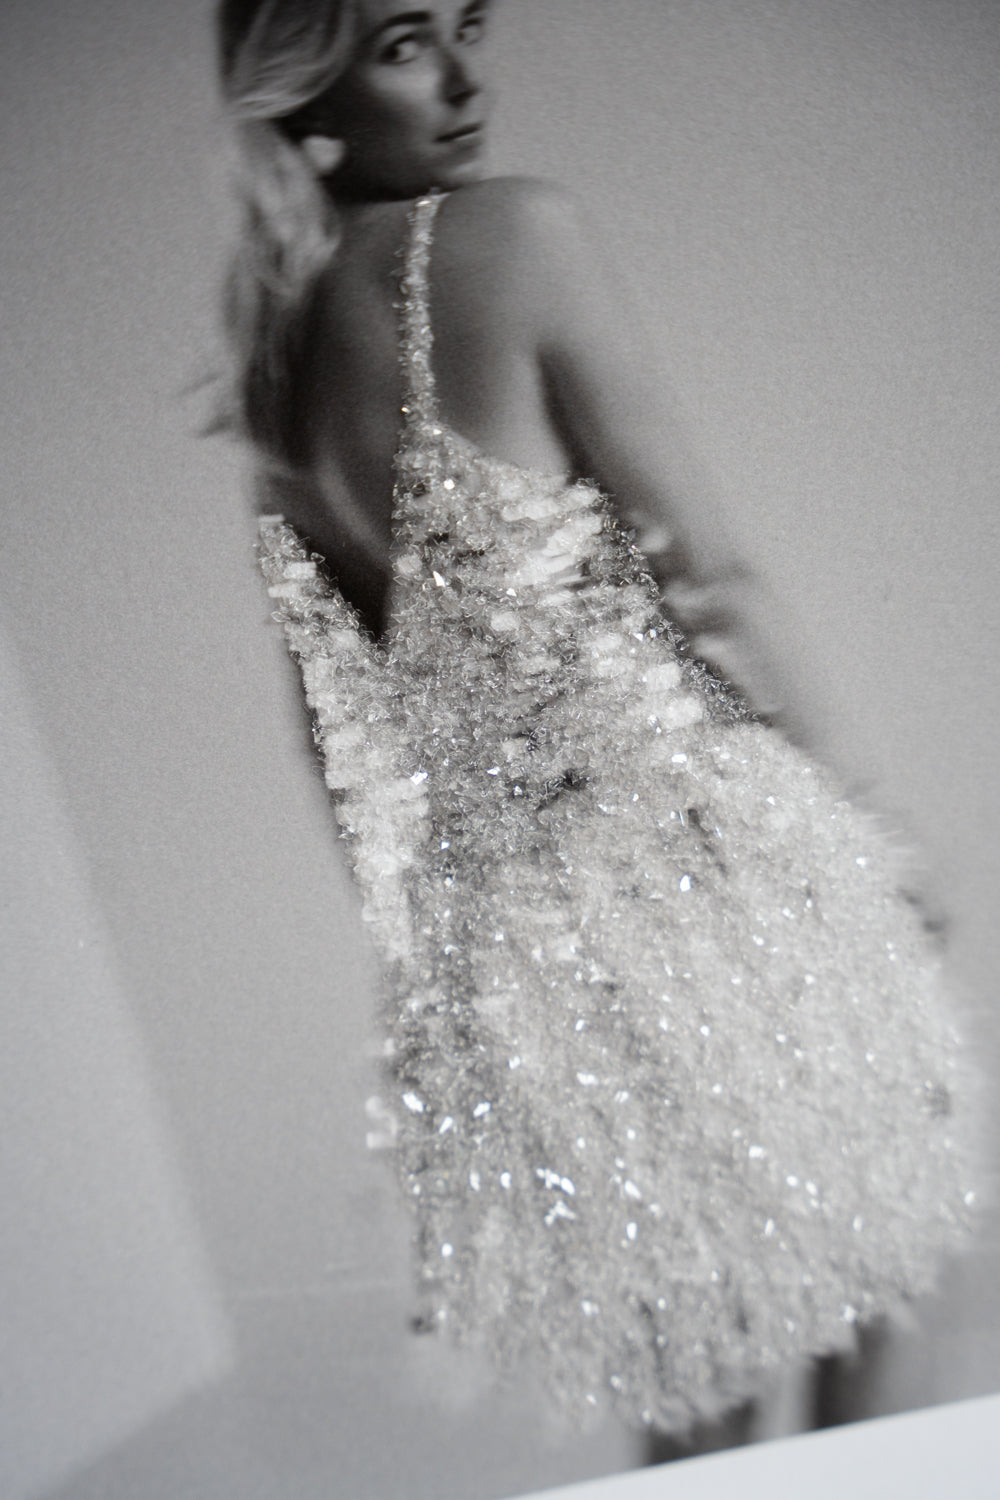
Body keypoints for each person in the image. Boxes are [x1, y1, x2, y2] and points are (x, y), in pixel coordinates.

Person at [217, 0, 977, 1437]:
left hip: (521, 955)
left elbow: (337, 743)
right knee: (893, 1274)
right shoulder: (513, 233)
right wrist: (872, 822)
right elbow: (714, 577)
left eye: (466, 23)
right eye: (402, 43)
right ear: (304, 90)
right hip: (707, 863)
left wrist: (446, 996)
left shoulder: (273, 379)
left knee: (701, 1375)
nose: (464, 76)